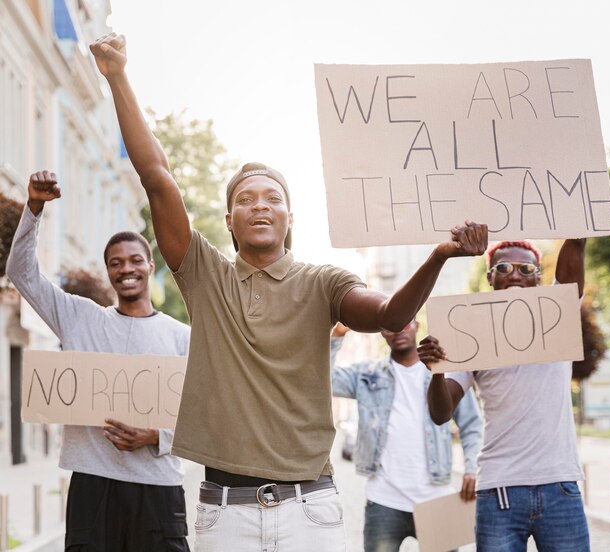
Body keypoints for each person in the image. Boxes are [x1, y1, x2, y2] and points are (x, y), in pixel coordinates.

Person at [87, 33, 488, 552]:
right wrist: (118, 74)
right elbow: (158, 178)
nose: (259, 205)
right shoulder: (206, 275)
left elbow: (390, 312)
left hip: (311, 513)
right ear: (229, 221)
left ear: (289, 218)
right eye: (245, 199)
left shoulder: (324, 281)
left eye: (272, 198)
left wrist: (438, 256)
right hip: (224, 513)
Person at [6, 171, 191, 552]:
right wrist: (35, 208)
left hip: (157, 488)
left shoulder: (181, 337)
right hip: (92, 485)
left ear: (148, 264)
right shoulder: (79, 317)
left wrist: (156, 436)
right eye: (115, 262)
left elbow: (204, 418)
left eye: (134, 260)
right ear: (108, 270)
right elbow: (21, 273)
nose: (126, 269)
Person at [421, 239, 590, 552]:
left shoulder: (557, 317)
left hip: (560, 486)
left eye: (526, 269)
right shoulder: (471, 334)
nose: (515, 275)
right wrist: (437, 370)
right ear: (489, 278)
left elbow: (576, 244)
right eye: (503, 268)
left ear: (538, 277)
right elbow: (440, 414)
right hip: (498, 490)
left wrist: (576, 222)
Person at [331, 321, 483, 552]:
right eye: (390, 325)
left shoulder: (444, 374)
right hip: (383, 501)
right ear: (382, 332)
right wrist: (337, 335)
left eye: (404, 323)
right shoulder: (367, 374)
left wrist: (472, 467)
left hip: (437, 501)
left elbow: (472, 424)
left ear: (416, 325)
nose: (398, 330)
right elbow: (324, 379)